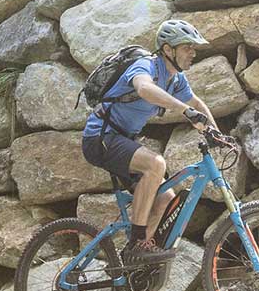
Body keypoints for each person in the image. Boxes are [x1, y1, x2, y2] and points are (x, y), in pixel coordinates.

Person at [80, 16, 216, 269]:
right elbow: (144, 89)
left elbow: (197, 103)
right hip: (101, 137)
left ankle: (134, 264)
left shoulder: (175, 79)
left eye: (193, 48)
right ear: (168, 49)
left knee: (166, 198)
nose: (193, 53)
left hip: (122, 140)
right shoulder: (146, 66)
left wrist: (216, 133)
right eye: (188, 47)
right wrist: (184, 111)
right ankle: (137, 239)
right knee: (156, 164)